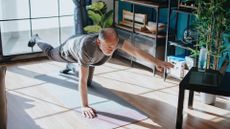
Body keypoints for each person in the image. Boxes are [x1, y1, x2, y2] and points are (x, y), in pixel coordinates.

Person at [28, 28, 174, 119]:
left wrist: (157, 62)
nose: (112, 49)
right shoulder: (86, 49)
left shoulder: (114, 41)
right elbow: (82, 82)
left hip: (92, 59)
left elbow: (136, 51)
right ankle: (37, 39)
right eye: (108, 46)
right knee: (51, 54)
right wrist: (84, 106)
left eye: (114, 46)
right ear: (99, 42)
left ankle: (72, 67)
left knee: (90, 81)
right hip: (69, 49)